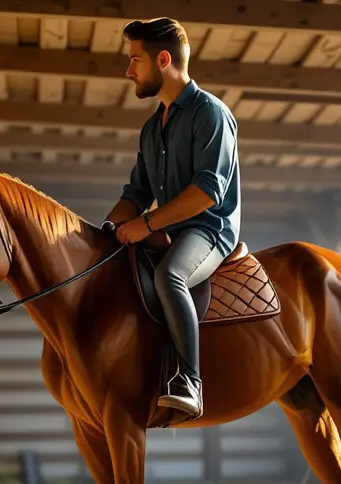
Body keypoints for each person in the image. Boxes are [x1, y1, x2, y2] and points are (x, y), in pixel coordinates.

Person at [105, 16, 242, 421]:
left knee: (170, 276)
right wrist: (102, 233)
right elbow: (135, 195)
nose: (129, 70)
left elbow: (206, 193)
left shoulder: (211, 114)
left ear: (162, 59)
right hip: (169, 230)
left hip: (209, 230)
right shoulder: (151, 130)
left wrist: (147, 225)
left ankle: (190, 381)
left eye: (135, 60)